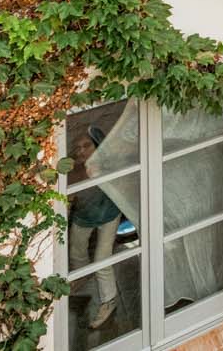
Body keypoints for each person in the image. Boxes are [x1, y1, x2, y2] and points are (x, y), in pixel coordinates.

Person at [67, 125, 122, 331]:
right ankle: (83, 280)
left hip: (109, 213)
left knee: (102, 259)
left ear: (97, 146)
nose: (81, 151)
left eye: (86, 145)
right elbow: (69, 198)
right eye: (77, 147)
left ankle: (109, 300)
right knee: (76, 252)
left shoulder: (107, 165)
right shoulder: (73, 171)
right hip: (84, 216)